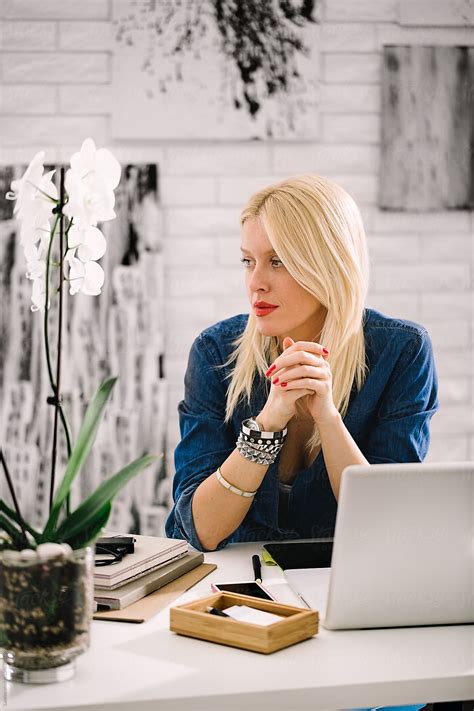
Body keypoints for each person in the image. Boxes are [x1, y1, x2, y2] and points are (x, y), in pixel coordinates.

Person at [165, 174, 439, 554]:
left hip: (346, 580)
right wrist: (268, 423)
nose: (255, 283)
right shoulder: (215, 354)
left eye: (278, 262)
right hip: (234, 588)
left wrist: (327, 418)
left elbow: (388, 525)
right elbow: (202, 530)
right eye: (248, 261)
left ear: (329, 265)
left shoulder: (402, 352)